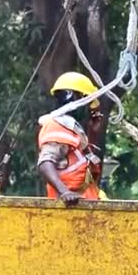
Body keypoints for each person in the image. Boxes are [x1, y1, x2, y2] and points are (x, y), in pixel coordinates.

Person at [37, 72, 105, 205]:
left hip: (84, 206)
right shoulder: (57, 127)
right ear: (71, 96)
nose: (88, 109)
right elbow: (45, 163)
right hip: (68, 209)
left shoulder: (71, 128)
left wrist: (93, 131)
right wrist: (65, 192)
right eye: (87, 102)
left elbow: (81, 164)